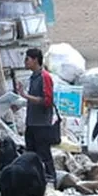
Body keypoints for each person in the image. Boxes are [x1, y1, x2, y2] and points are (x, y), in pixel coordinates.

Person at [17, 48, 58, 184]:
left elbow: (47, 101)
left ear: (35, 60)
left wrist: (26, 96)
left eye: (27, 59)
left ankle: (51, 179)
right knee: (30, 155)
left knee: (44, 154)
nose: (25, 62)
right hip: (31, 123)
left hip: (42, 124)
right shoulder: (33, 77)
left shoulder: (44, 77)